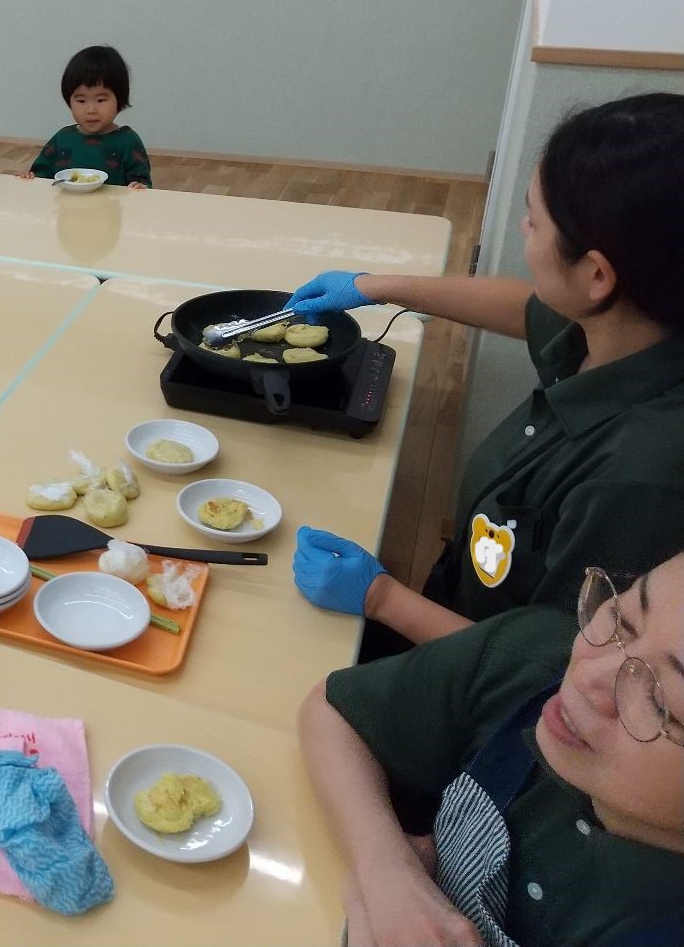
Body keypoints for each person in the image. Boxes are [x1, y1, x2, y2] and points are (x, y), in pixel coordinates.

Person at [288, 94, 684, 654]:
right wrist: (374, 286)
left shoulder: (638, 479)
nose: (522, 226)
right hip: (455, 606)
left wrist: (382, 600)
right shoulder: (625, 330)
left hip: (484, 686)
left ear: (596, 274)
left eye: (535, 219)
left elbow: (558, 674)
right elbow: (524, 306)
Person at [299, 552, 684, 947]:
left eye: (659, 701)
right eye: (625, 620)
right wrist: (386, 872)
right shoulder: (529, 661)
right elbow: (334, 711)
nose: (587, 676)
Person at [20, 45, 151, 188]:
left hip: (110, 209)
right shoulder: (63, 138)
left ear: (119, 99)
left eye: (101, 100)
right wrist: (30, 177)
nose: (91, 109)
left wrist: (139, 187)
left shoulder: (128, 141)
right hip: (66, 208)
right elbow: (41, 175)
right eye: (81, 101)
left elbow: (142, 181)